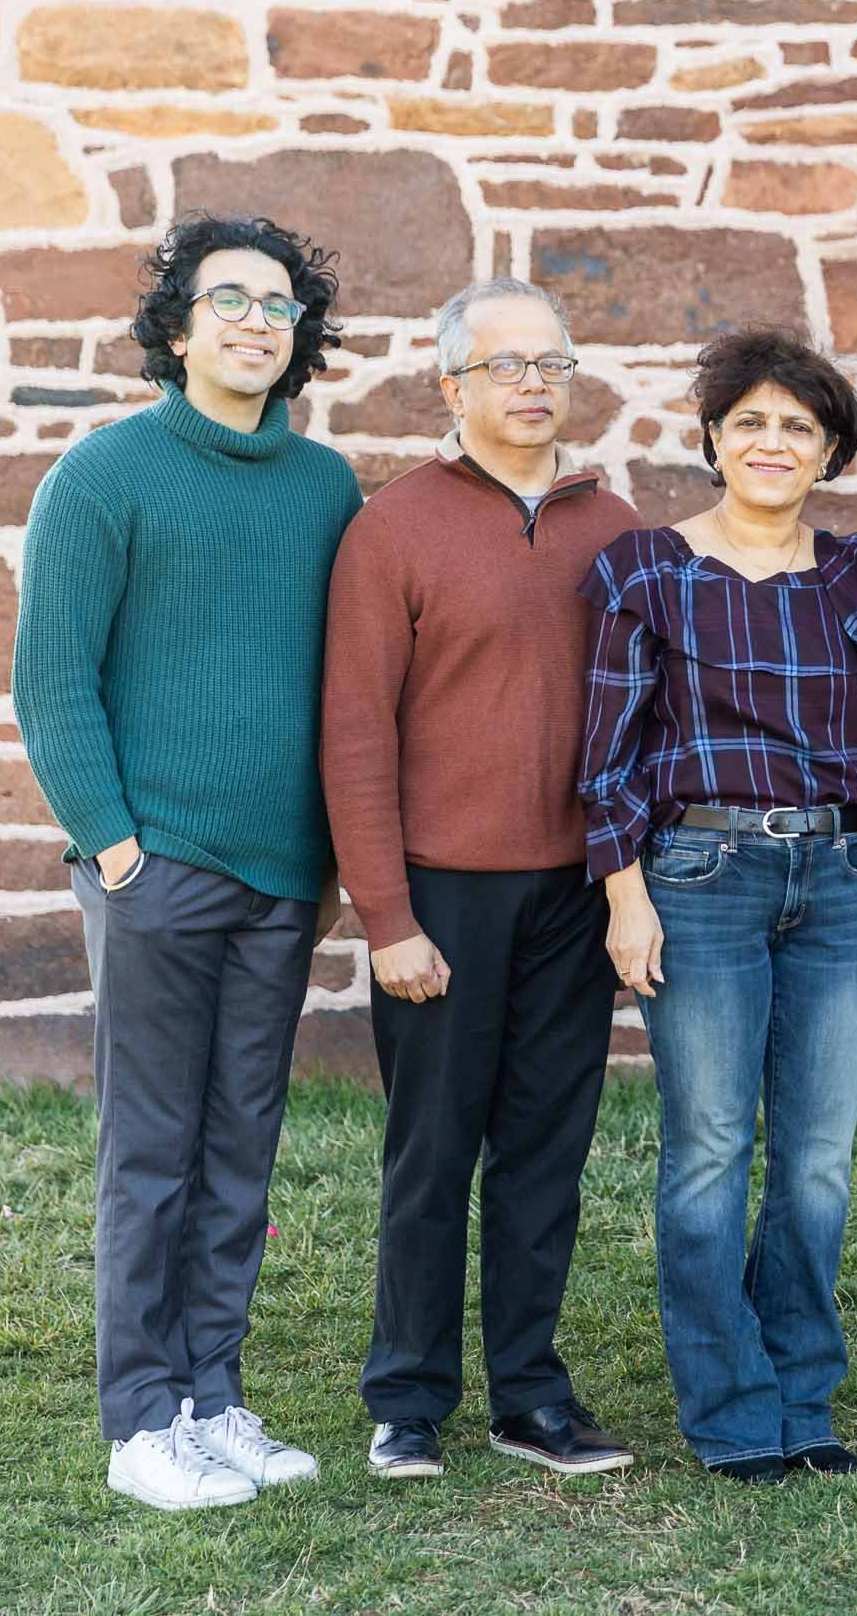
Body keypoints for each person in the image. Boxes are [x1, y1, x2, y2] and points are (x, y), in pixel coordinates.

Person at [12, 213, 361, 1510]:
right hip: (152, 868)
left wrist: (323, 862)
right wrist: (116, 853)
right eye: (229, 299)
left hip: (281, 879)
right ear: (176, 324)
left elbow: (340, 684)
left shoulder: (327, 489)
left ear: (299, 335)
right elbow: (50, 684)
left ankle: (215, 1391)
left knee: (239, 1148)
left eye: (279, 304)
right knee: (151, 1148)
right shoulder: (104, 475)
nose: (257, 321)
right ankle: (140, 1415)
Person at [578, 329, 857, 1487]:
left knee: (818, 1156)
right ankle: (729, 1408)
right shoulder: (644, 570)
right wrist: (625, 895)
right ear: (715, 435)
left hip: (835, 882)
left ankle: (802, 1396)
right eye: (753, 421)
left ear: (829, 452)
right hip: (698, 879)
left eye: (801, 427)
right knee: (712, 1147)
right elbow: (606, 754)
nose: (775, 442)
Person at [322, 278, 641, 1484]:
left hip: (573, 891)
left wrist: (627, 887)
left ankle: (529, 1394)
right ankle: (406, 1396)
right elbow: (354, 732)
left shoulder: (613, 526)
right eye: (505, 365)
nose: (531, 384)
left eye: (551, 363)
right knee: (431, 1149)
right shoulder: (392, 527)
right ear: (451, 384)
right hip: (440, 897)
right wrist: (386, 915)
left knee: (545, 1151)